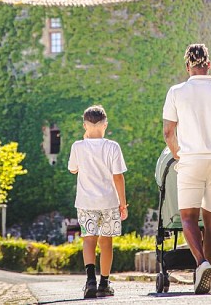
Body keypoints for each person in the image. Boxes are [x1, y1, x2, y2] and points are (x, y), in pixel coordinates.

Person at [162, 43, 211, 295]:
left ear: (188, 66)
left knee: (187, 217)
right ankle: (209, 273)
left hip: (190, 160)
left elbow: (168, 132)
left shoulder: (176, 92)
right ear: (208, 65)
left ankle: (202, 264)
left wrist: (178, 155)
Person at [68, 105, 128, 299]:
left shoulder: (78, 146)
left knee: (88, 239)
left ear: (85, 124)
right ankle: (104, 283)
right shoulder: (113, 146)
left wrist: (85, 140)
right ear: (105, 124)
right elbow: (118, 177)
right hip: (109, 201)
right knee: (106, 241)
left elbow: (73, 169)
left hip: (86, 202)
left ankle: (90, 281)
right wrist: (123, 204)